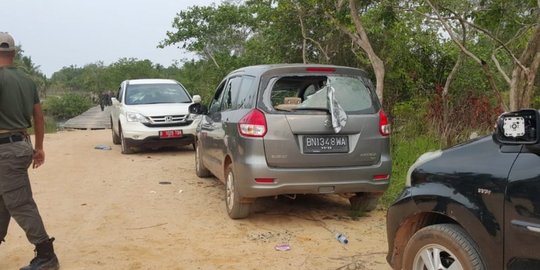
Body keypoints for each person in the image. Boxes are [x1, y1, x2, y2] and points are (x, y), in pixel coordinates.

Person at [0, 32, 59, 270]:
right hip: (20, 145)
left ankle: (46, 255)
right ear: (13, 53)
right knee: (3, 201)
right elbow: (38, 116)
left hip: (4, 150)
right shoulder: (27, 80)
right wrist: (39, 147)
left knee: (20, 203)